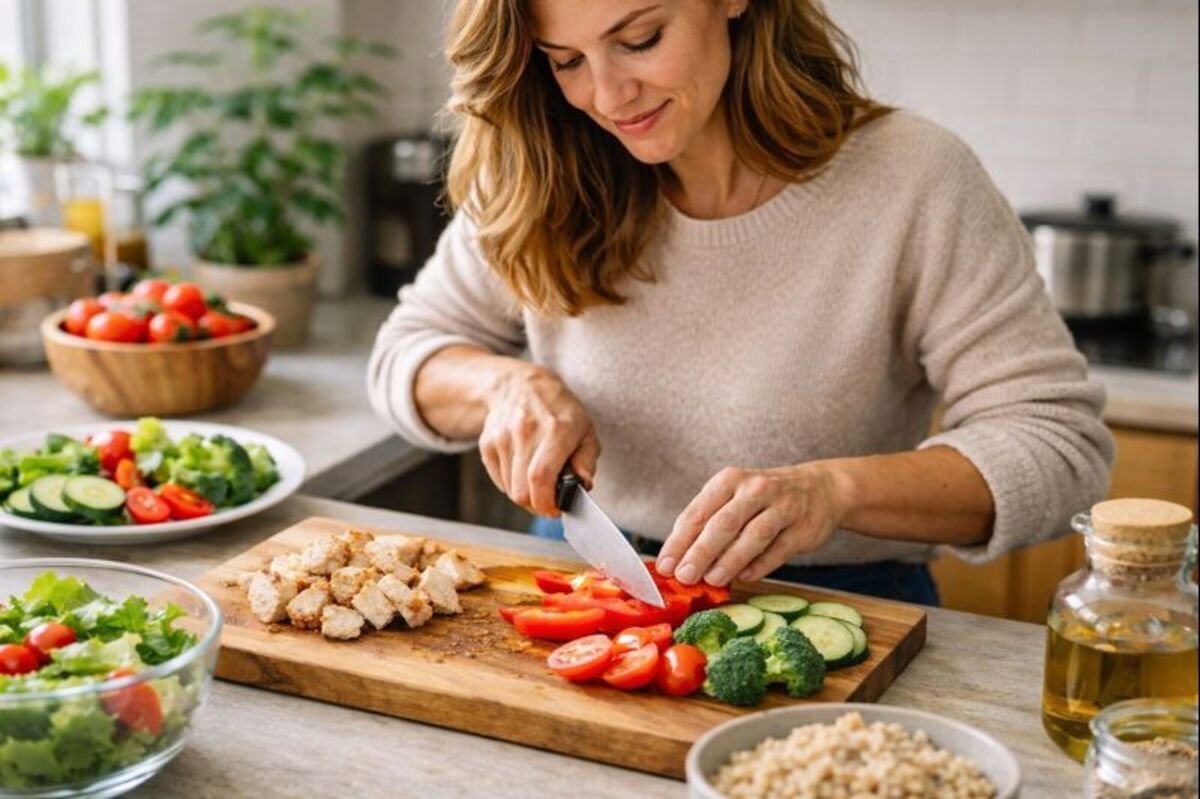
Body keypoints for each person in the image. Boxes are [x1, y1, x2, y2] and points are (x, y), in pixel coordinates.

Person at [367, 0, 1113, 605]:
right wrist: (505, 385)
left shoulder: (915, 179)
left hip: (845, 601)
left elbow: (1058, 445)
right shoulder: (545, 165)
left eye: (640, 38)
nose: (606, 95)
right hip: (583, 579)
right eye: (566, 61)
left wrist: (832, 491)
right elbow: (408, 353)